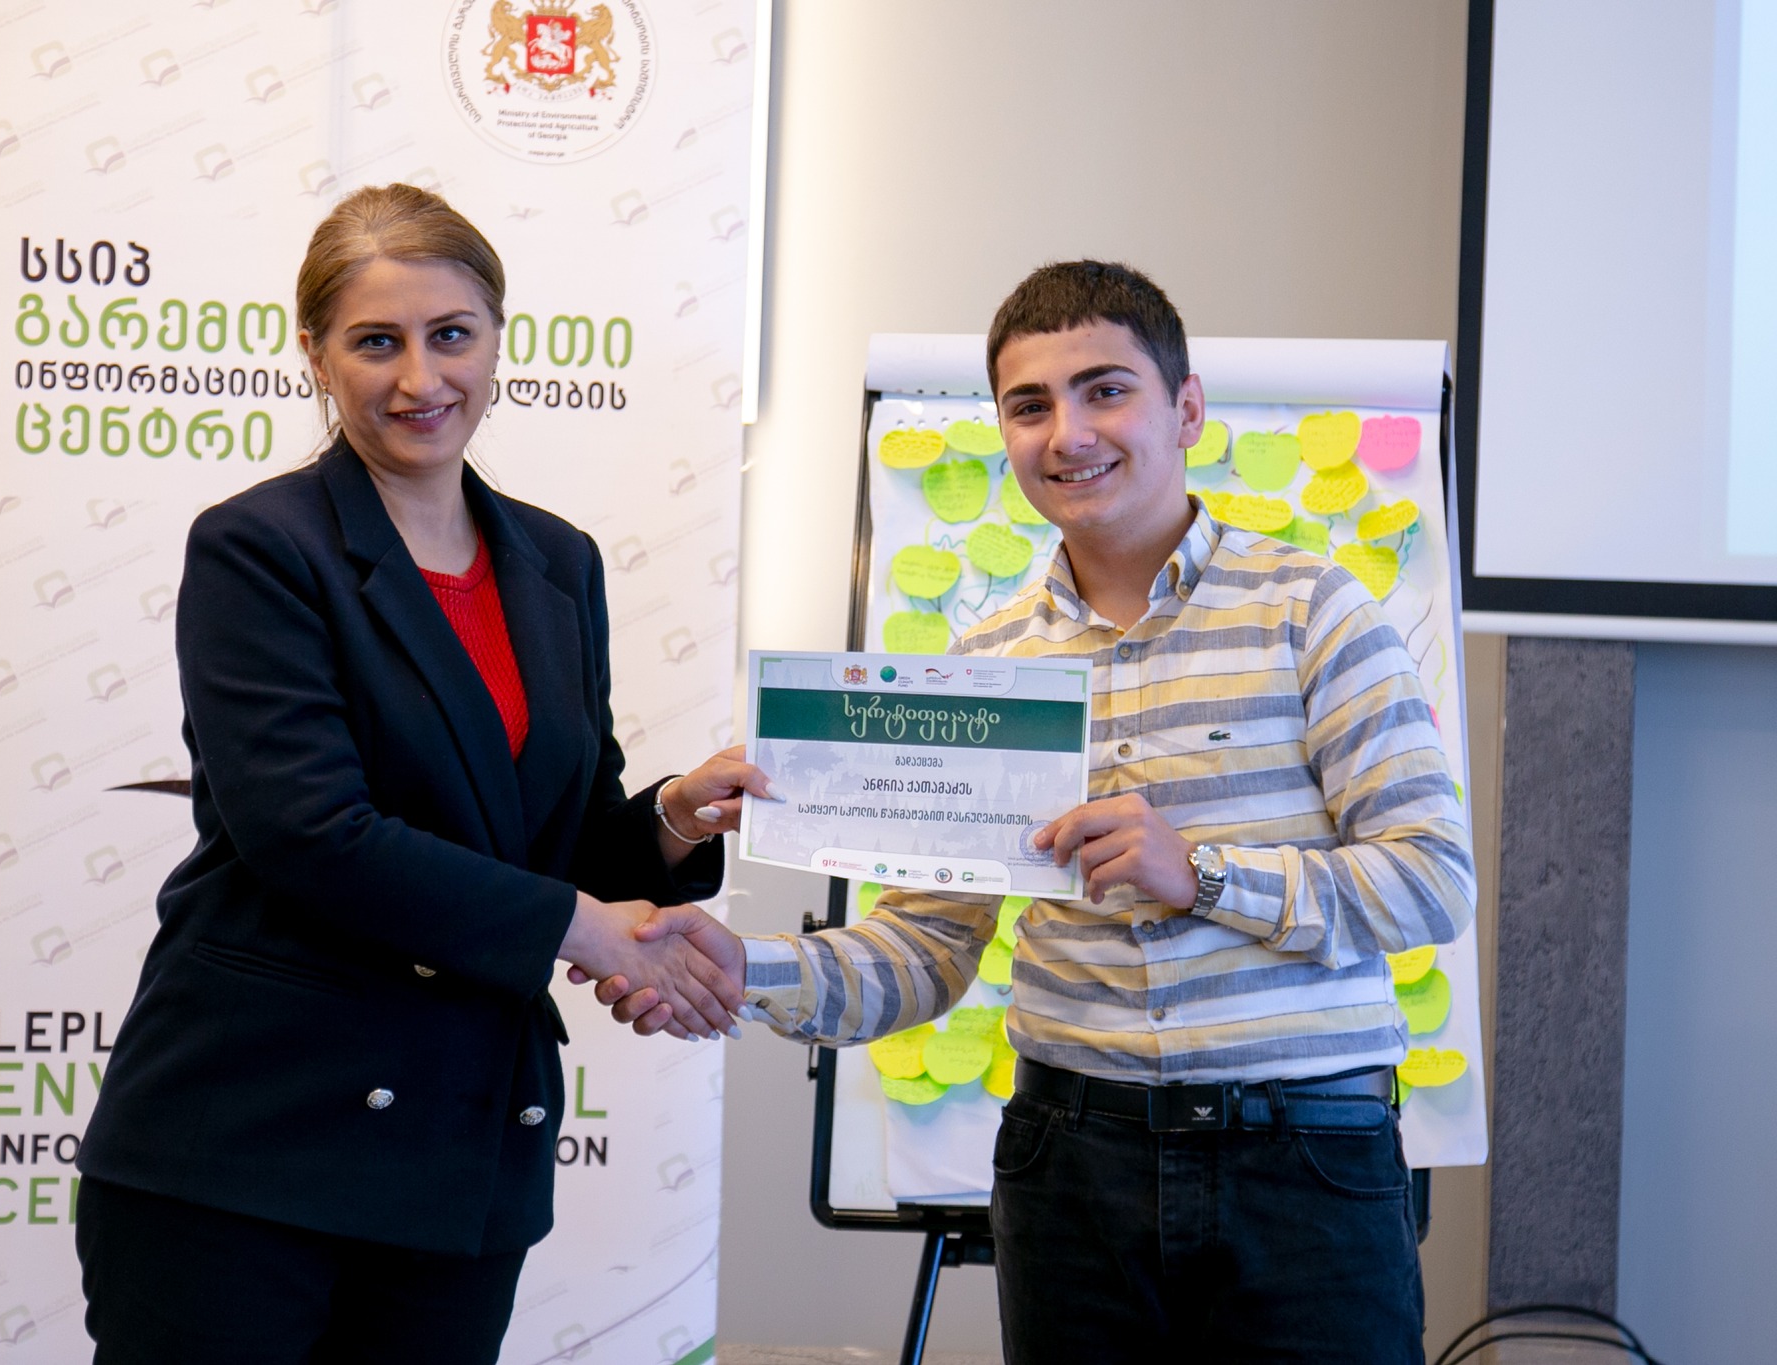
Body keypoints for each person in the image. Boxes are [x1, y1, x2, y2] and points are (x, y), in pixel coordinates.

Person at [591, 262, 1477, 1364]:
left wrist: (1199, 872)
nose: (1068, 433)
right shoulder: (988, 663)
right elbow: (925, 950)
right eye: (1029, 405)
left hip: (1302, 1161)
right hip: (1071, 1167)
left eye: (1105, 390)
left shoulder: (1314, 610)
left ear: (1186, 409)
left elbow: (1429, 880)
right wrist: (745, 967)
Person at [74, 183, 766, 1365]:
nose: (418, 378)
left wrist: (668, 819)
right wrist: (590, 931)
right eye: (374, 342)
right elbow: (310, 834)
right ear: (314, 354)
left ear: (496, 340)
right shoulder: (258, 547)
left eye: (450, 334)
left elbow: (545, 845)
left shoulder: (556, 560)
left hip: (459, 1142)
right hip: (249, 1141)